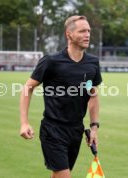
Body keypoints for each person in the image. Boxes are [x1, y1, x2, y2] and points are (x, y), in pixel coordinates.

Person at [19, 15, 102, 178]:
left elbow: (93, 95)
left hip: (76, 130)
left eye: (89, 31)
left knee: (58, 175)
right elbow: (27, 88)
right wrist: (24, 123)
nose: (87, 35)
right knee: (64, 175)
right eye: (82, 31)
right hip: (53, 130)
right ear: (69, 34)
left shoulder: (93, 62)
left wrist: (94, 127)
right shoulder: (51, 61)